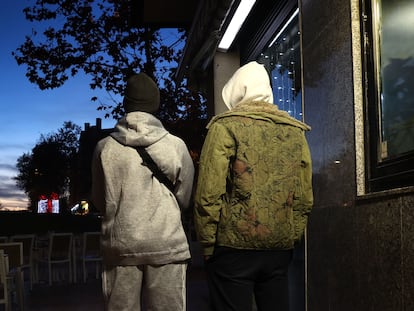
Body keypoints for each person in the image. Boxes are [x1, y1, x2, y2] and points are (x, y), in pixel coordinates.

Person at [194, 61, 313, 311]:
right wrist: (291, 236)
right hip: (279, 248)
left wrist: (207, 243)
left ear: (236, 90)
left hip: (232, 247)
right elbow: (303, 195)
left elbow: (209, 191)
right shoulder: (295, 131)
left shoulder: (224, 126)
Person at [91, 72, 195, 311]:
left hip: (121, 246)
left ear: (126, 103)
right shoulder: (175, 146)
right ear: (155, 104)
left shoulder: (104, 148)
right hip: (167, 243)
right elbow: (185, 195)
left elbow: (99, 198)